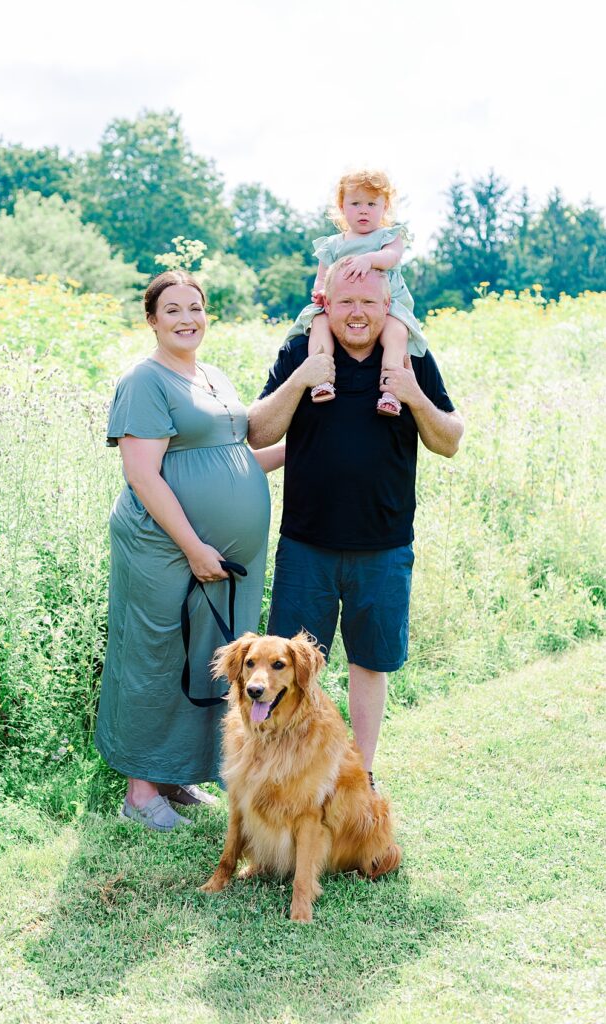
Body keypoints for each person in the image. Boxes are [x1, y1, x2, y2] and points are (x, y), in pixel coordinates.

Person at [248, 263, 463, 786]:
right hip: (306, 546)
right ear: (327, 305)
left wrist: (413, 394)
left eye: (370, 301)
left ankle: (358, 777)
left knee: (370, 664)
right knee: (290, 670)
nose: (358, 312)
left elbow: (450, 439)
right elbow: (258, 431)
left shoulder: (410, 356)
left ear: (388, 306)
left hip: (384, 547)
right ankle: (287, 778)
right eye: (346, 302)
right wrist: (301, 380)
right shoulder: (302, 351)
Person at [95, 270, 284, 831]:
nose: (187, 318)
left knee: (206, 659)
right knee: (155, 656)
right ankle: (139, 789)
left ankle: (177, 774)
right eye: (172, 309)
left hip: (219, 561)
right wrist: (196, 547)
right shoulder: (144, 381)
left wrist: (306, 447)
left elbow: (235, 458)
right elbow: (143, 475)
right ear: (152, 320)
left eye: (196, 307)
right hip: (166, 549)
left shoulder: (213, 377)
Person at [287, 168, 427, 416]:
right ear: (342, 207)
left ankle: (391, 392)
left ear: (385, 208)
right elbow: (321, 278)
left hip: (387, 303)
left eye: (372, 203)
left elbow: (391, 257)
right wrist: (320, 292)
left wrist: (368, 260)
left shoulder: (388, 236)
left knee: (396, 333)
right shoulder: (332, 245)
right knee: (318, 323)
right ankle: (322, 377)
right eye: (356, 203)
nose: (364, 210)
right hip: (339, 305)